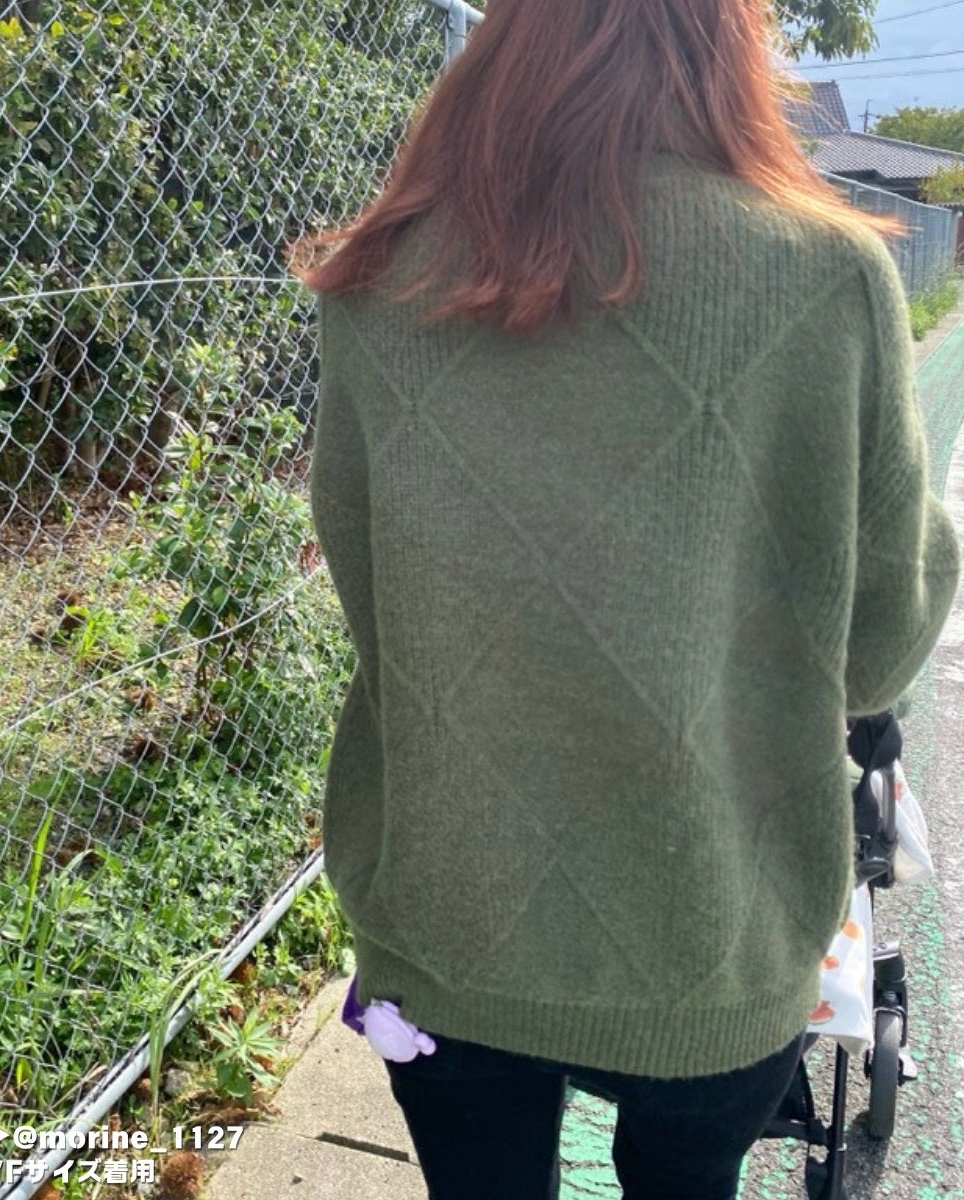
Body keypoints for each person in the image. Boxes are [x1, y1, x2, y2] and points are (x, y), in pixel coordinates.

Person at [292, 0, 960, 1195]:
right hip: (712, 936)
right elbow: (880, 650)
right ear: (726, 43)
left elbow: (368, 583)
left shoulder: (380, 276)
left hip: (443, 917)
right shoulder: (827, 274)